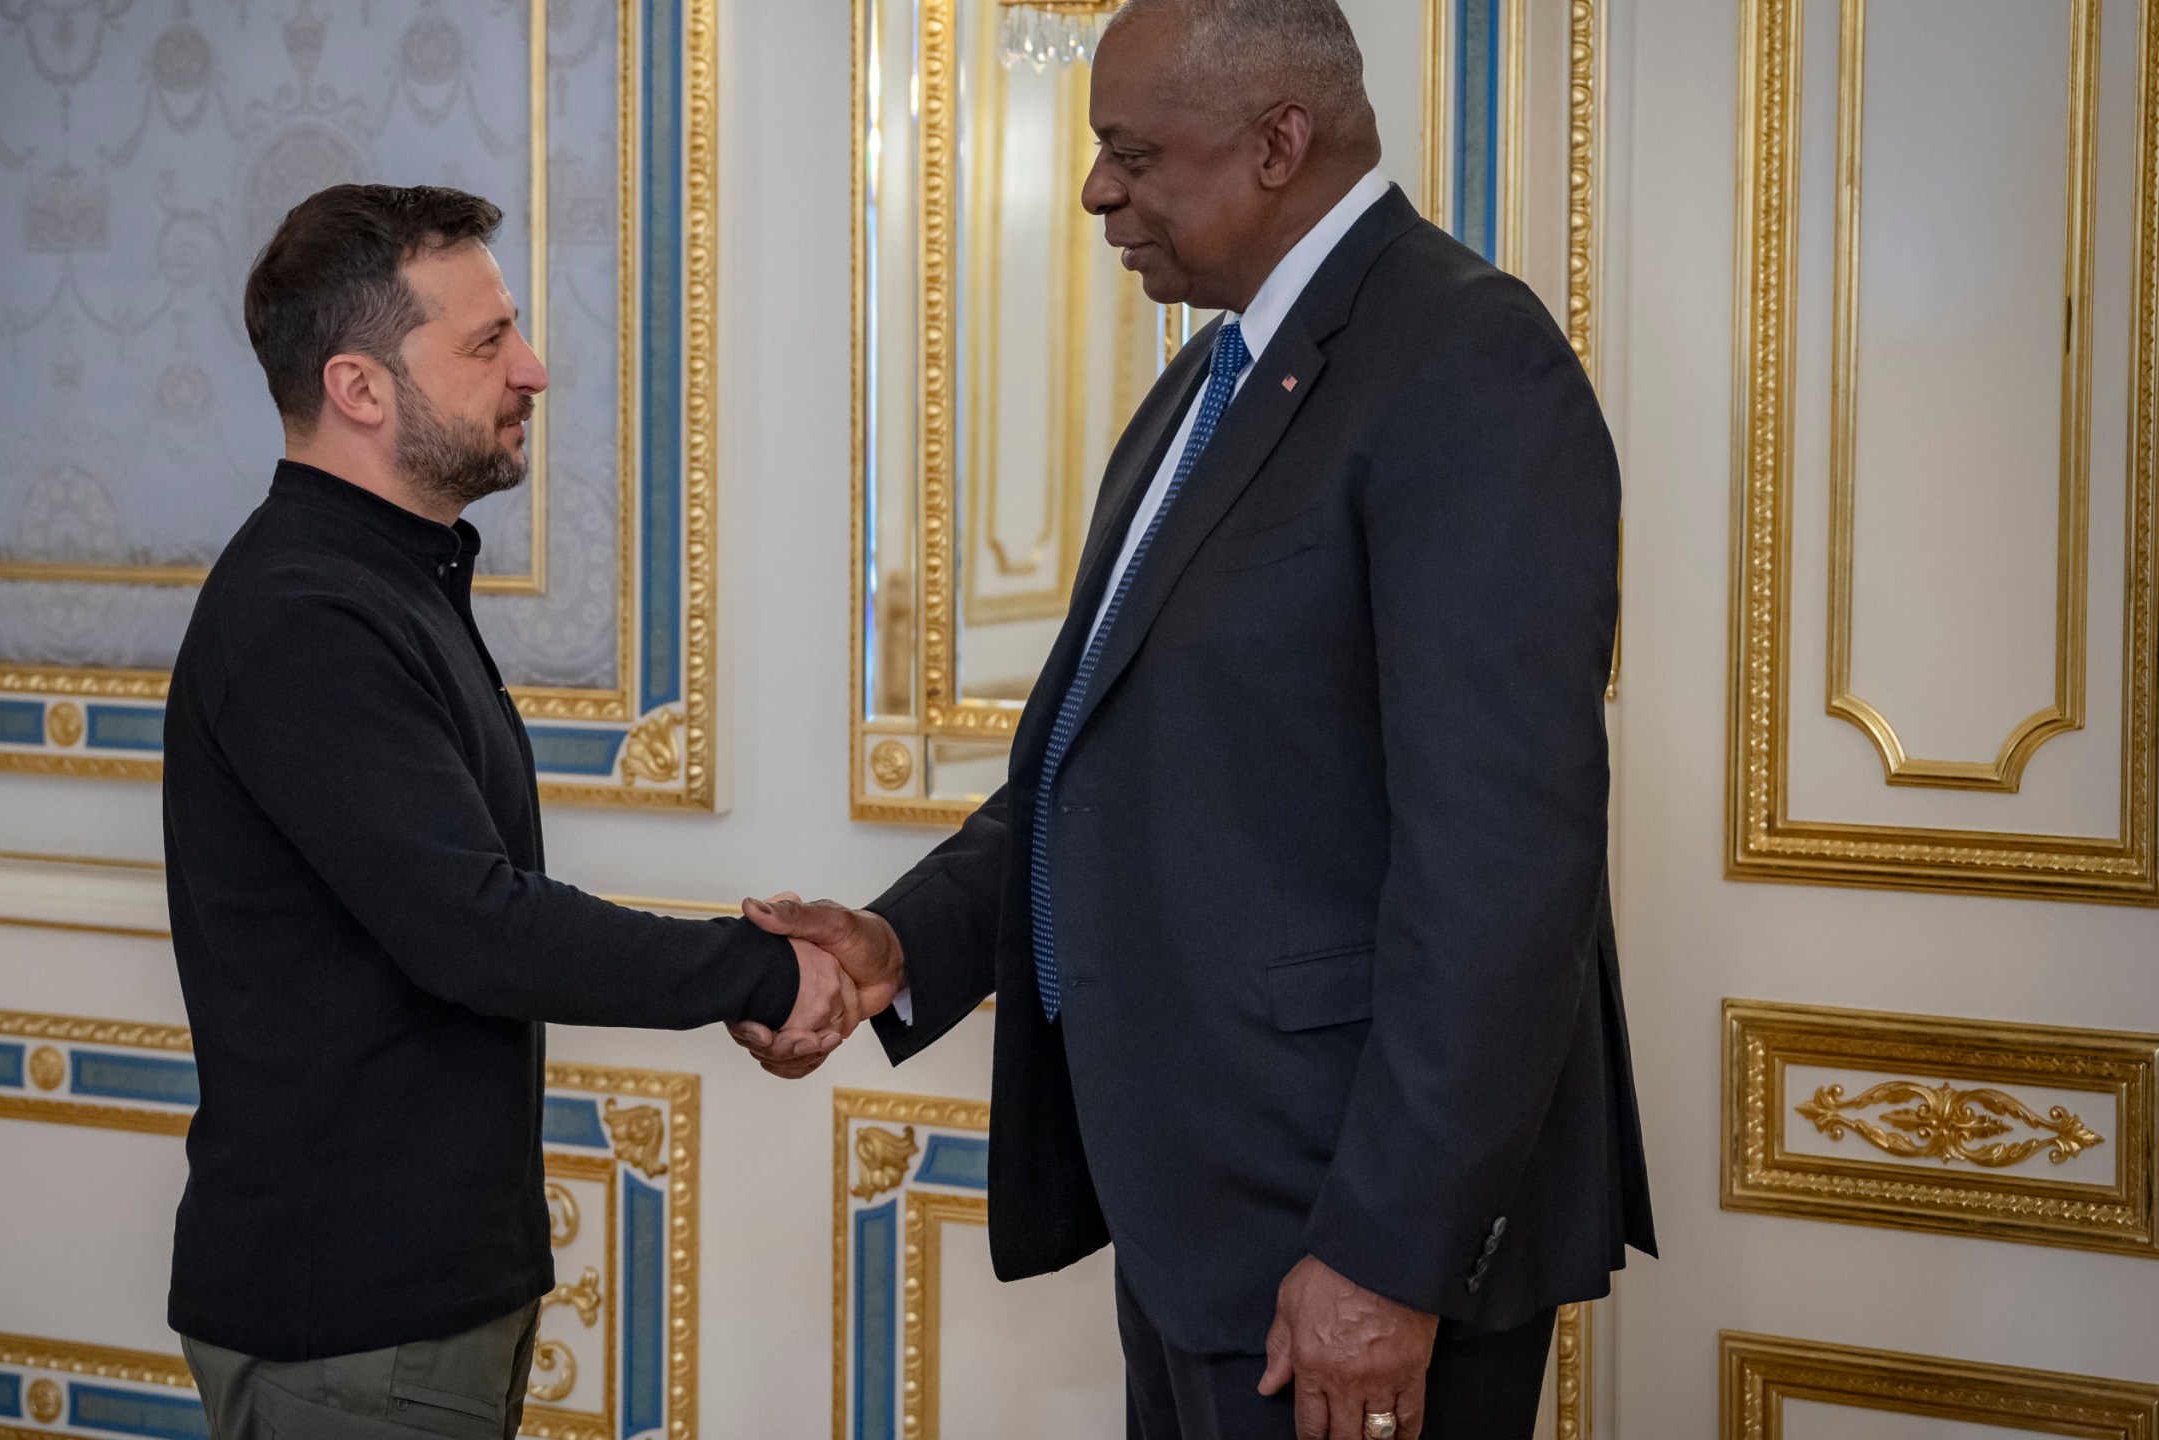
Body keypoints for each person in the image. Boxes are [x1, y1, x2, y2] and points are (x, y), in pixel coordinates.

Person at [735, 2, 1655, 1437]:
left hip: (1340, 1241)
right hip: (1202, 1222)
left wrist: (1380, 1256)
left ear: (1279, 143)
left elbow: (1505, 869)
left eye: (1132, 155)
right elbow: (1101, 761)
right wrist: (900, 944)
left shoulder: (1467, 362)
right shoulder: (1199, 389)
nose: (1099, 191)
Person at [161, 184, 887, 1440]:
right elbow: (475, 929)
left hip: (419, 1297)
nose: (533, 370)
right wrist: (760, 973)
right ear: (361, 388)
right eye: (487, 342)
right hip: (349, 1315)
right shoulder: (306, 615)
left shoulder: (386, 581)